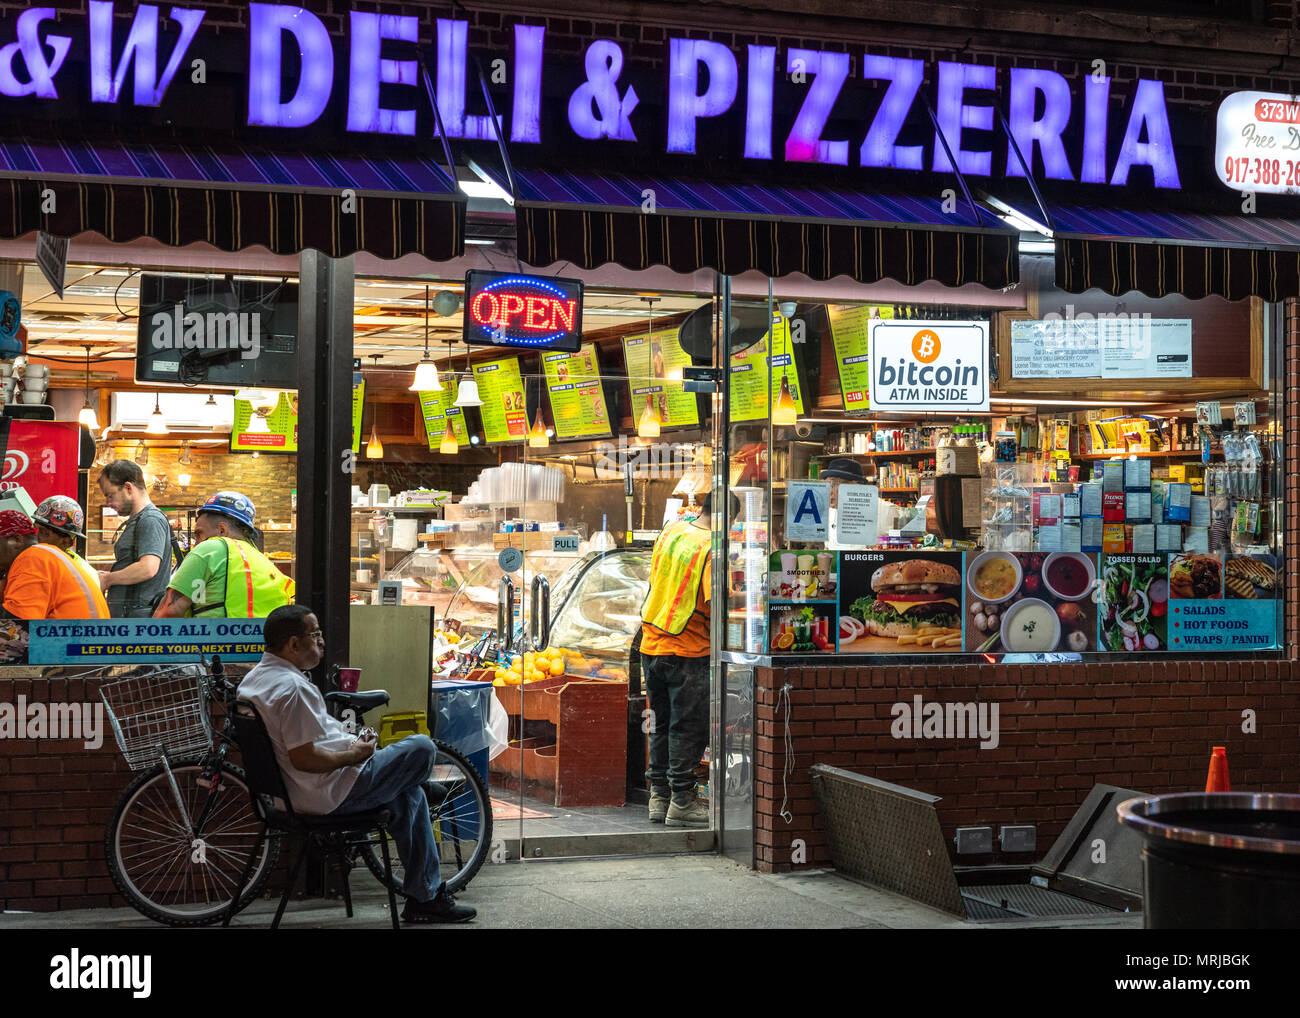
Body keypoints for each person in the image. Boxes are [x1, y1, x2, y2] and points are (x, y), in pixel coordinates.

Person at [237, 604, 475, 924]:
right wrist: (355, 755)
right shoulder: (292, 689)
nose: (321, 641)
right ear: (293, 644)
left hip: (295, 791)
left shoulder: (256, 680)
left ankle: (425, 898)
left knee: (409, 797)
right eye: (315, 634)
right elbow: (305, 758)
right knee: (421, 746)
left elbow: (312, 738)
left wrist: (352, 742)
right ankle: (415, 785)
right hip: (325, 793)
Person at [638, 490, 740, 828]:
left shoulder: (671, 530)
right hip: (688, 647)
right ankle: (682, 800)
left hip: (651, 644)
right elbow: (715, 604)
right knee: (688, 728)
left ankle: (659, 797)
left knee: (661, 726)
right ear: (728, 518)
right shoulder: (713, 548)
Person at [154, 491, 293, 618]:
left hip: (212, 644)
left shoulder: (210, 549)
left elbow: (168, 613)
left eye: (199, 534)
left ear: (221, 530)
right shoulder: (263, 561)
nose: (195, 544)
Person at [0, 498, 110, 620]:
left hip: (76, 638)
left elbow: (15, 626)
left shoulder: (36, 557)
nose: (38, 538)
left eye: (43, 532)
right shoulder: (60, 560)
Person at [97, 460, 174, 617]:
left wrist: (108, 579)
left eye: (110, 495)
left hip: (137, 621)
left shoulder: (150, 519)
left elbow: (148, 568)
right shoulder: (142, 519)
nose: (108, 503)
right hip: (132, 618)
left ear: (128, 488)